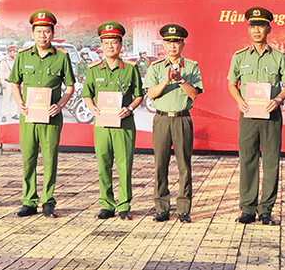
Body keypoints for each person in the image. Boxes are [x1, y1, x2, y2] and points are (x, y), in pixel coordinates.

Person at [227, 7, 285, 225]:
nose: (256, 30)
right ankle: (247, 208)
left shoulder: (279, 58)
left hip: (270, 116)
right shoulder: (239, 57)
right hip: (248, 116)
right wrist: (239, 101)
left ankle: (266, 209)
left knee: (271, 162)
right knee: (247, 161)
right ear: (249, 30)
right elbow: (231, 82)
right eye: (252, 26)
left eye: (261, 26)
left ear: (268, 29)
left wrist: (278, 100)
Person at [8, 10, 75, 218]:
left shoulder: (61, 58)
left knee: (49, 159)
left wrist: (60, 104)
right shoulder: (23, 56)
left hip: (51, 117)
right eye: (39, 31)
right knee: (28, 158)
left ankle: (48, 200)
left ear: (52, 34)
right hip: (28, 117)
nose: (42, 36)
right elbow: (14, 83)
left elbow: (70, 87)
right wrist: (19, 103)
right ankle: (28, 201)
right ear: (33, 33)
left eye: (46, 31)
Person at [82, 21, 143, 220]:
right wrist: (92, 109)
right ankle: (106, 204)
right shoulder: (93, 69)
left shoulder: (130, 69)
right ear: (101, 45)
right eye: (106, 42)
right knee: (103, 164)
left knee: (124, 165)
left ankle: (124, 205)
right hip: (101, 125)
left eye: (114, 42)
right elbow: (87, 94)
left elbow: (139, 95)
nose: (110, 46)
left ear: (120, 45)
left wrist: (129, 108)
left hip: (123, 125)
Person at [145, 24, 203, 223]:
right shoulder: (155, 67)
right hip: (161, 119)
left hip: (182, 119)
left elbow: (194, 94)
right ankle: (162, 207)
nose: (172, 46)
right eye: (169, 42)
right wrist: (165, 81)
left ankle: (184, 209)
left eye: (176, 42)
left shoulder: (192, 67)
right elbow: (151, 94)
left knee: (184, 165)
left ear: (182, 44)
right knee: (160, 164)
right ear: (163, 43)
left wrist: (180, 80)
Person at [0, 45, 19, 123]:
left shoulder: (16, 61)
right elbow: (1, 73)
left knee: (14, 99)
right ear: (9, 52)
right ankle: (4, 115)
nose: (14, 53)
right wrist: (3, 82)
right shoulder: (5, 61)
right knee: (6, 99)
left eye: (15, 51)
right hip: (7, 82)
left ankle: (14, 114)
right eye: (12, 51)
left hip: (15, 83)